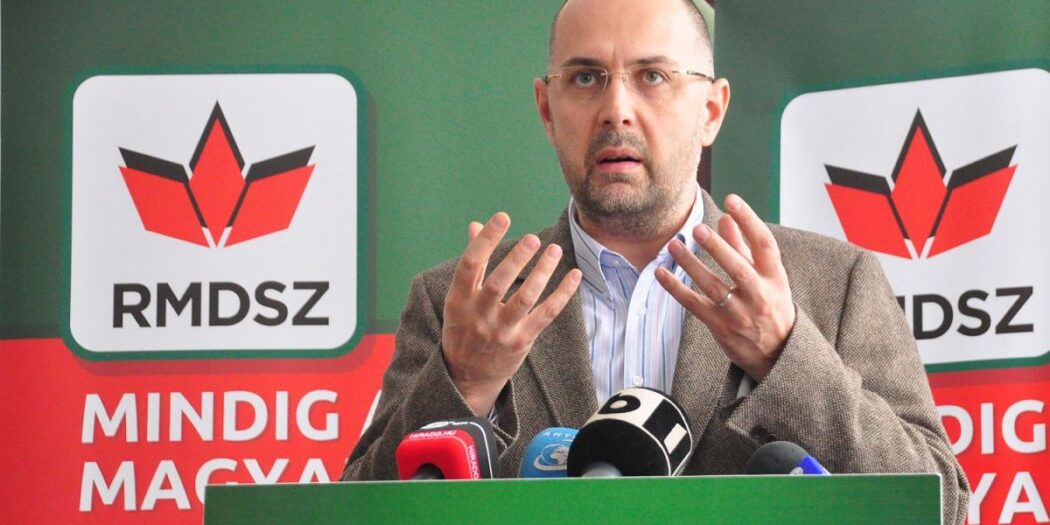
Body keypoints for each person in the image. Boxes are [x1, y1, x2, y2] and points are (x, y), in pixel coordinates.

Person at [342, 0, 968, 522]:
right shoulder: (460, 302)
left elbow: (943, 504)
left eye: (653, 76)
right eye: (585, 78)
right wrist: (464, 384)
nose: (616, 109)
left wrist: (786, 357)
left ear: (711, 110)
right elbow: (352, 512)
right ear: (546, 110)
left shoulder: (833, 282)